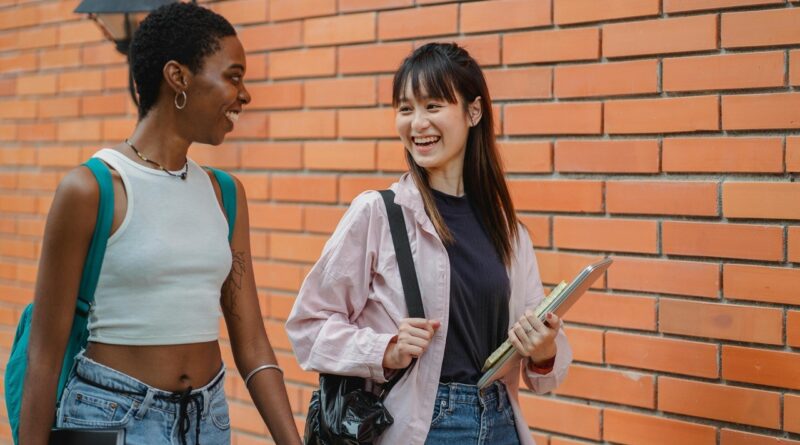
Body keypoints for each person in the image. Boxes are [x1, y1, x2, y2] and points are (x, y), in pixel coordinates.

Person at [18, 3, 301, 444]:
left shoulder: (225, 194)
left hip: (208, 421)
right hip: (111, 418)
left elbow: (252, 345)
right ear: (178, 77)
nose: (244, 95)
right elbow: (44, 353)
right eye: (234, 75)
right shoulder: (91, 189)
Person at [286, 42, 573, 445]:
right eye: (406, 109)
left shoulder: (509, 231)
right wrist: (383, 349)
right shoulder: (378, 214)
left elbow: (544, 370)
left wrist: (543, 349)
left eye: (433, 106)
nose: (417, 123)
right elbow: (307, 326)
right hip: (422, 427)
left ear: (474, 112)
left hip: (501, 422)